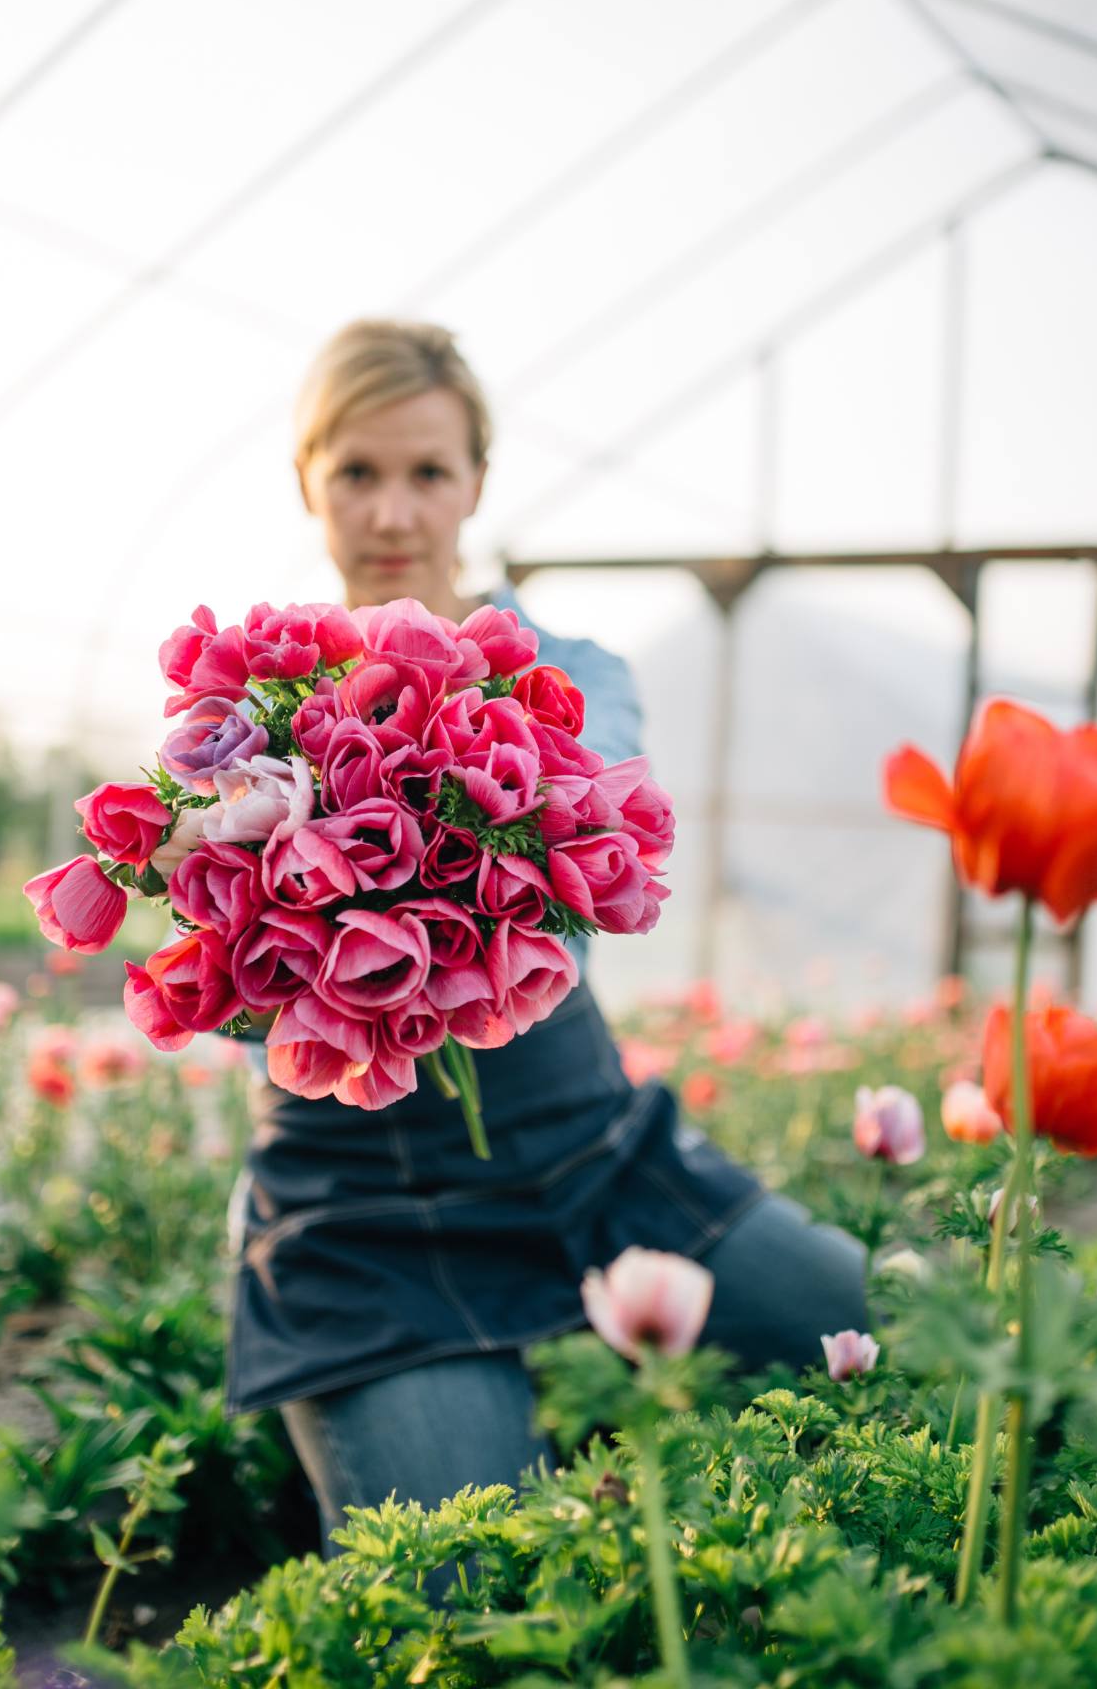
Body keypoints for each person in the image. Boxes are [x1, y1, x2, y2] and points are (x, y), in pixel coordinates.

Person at [227, 318, 869, 1543]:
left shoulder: (566, 673)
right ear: (308, 482)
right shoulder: (248, 714)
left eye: (428, 472)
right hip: (370, 1223)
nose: (394, 514)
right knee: (458, 1575)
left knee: (928, 1349)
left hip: (595, 1162)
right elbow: (249, 1015)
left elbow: (570, 915)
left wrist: (350, 864)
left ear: (477, 480)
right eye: (356, 474)